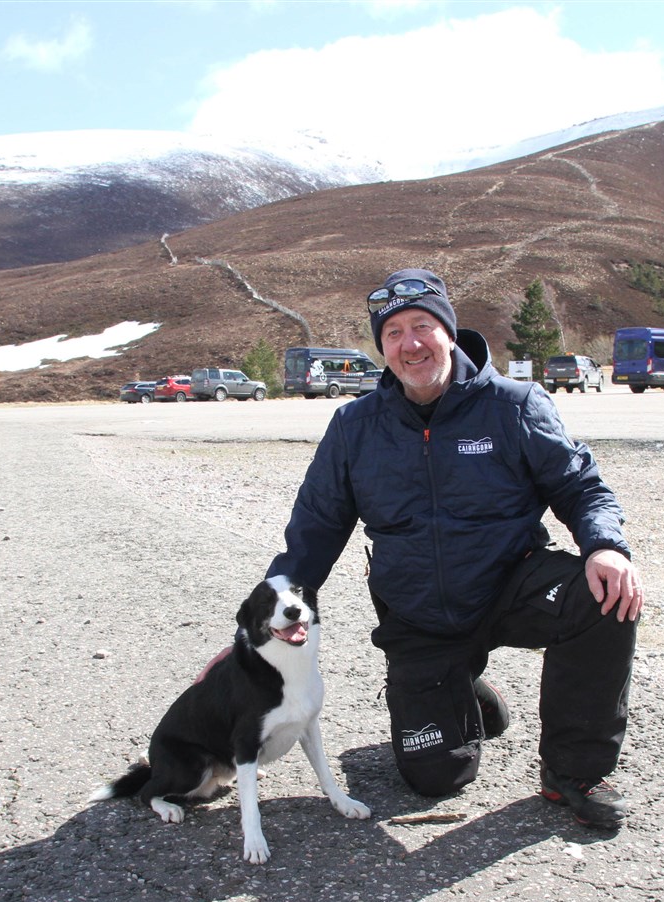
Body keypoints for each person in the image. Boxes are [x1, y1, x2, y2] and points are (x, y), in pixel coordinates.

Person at [266, 269, 643, 828]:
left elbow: (580, 486)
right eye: (393, 332)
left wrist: (605, 546)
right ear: (382, 348)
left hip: (510, 585)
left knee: (602, 597)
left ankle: (575, 773)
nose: (410, 343)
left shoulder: (514, 405)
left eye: (422, 325)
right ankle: (463, 690)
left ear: (448, 330)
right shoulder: (355, 428)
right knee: (435, 778)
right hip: (419, 613)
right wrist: (265, 617)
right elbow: (315, 530)